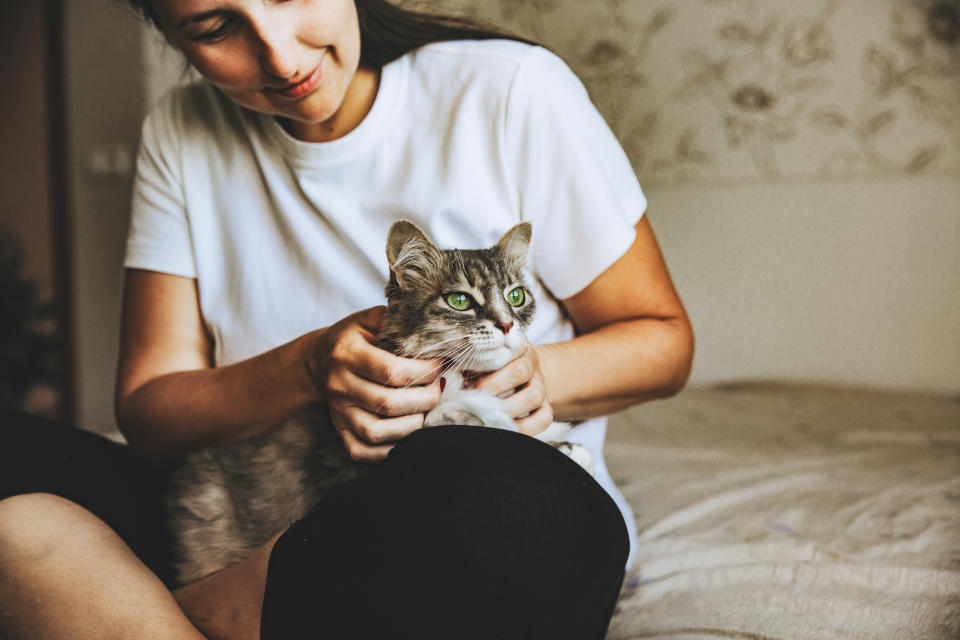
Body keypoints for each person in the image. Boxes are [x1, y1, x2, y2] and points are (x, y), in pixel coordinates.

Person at [0, 0, 694, 637]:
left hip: (462, 506)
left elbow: (664, 339)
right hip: (248, 508)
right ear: (169, 35)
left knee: (512, 508)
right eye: (215, 27)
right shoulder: (181, 131)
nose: (280, 56)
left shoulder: (513, 89)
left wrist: (530, 374)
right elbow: (151, 418)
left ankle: (178, 607)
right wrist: (306, 368)